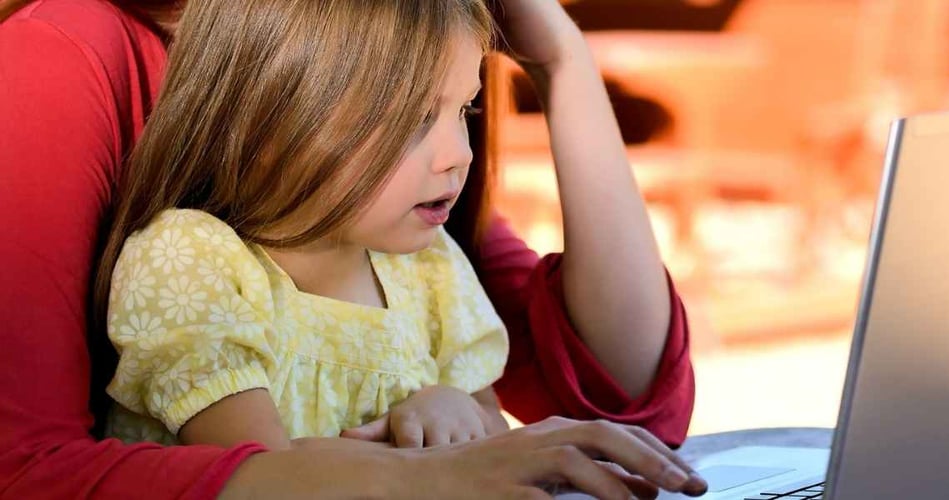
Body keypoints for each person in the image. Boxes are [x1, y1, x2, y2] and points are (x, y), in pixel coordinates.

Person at [0, 0, 703, 497]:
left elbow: (626, 403)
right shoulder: (65, 55)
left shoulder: (408, 233)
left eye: (467, 110)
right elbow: (22, 472)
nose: (454, 153)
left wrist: (560, 58)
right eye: (411, 117)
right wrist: (415, 478)